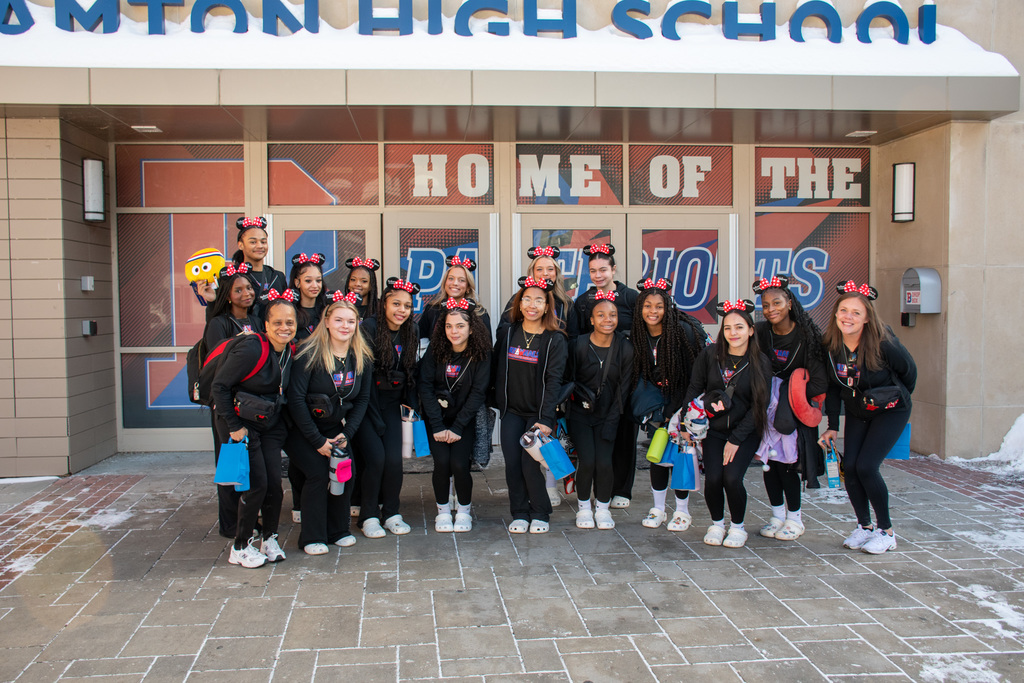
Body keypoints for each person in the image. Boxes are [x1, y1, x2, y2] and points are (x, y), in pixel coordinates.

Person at [820, 280, 917, 555]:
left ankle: (886, 532)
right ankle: (865, 527)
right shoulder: (831, 345)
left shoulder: (883, 343)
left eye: (856, 312)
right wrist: (832, 426)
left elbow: (909, 373)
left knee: (866, 467)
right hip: (858, 410)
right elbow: (833, 388)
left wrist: (893, 397)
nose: (848, 317)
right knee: (850, 466)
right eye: (843, 310)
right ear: (836, 313)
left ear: (866, 318)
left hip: (891, 410)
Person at [210, 293, 297, 568]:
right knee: (256, 485)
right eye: (278, 322)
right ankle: (240, 546)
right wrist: (234, 428)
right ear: (266, 325)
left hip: (268, 424)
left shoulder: (288, 351)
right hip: (239, 424)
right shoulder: (251, 348)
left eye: (290, 322)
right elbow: (219, 387)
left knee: (274, 485)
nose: (285, 327)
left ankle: (269, 538)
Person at [286, 292, 373, 555]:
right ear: (326, 321)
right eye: (339, 320)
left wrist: (346, 434)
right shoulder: (308, 354)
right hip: (300, 429)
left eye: (351, 321)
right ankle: (312, 537)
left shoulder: (362, 356)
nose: (345, 326)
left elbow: (363, 399)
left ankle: (338, 531)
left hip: (336, 429)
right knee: (318, 473)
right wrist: (317, 441)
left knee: (346, 473)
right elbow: (296, 401)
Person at [680, 300, 770, 549]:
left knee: (732, 478)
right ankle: (717, 523)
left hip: (745, 431)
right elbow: (694, 389)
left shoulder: (760, 362)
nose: (733, 333)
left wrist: (736, 440)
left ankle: (738, 527)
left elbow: (758, 406)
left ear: (751, 330)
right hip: (714, 430)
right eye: (728, 328)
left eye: (739, 327)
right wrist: (687, 425)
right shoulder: (710, 355)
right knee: (714, 478)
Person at [753, 276, 829, 542]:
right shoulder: (761, 332)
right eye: (765, 304)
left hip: (792, 410)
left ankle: (794, 518)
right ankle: (776, 515)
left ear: (789, 303)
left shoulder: (807, 335)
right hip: (766, 408)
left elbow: (819, 380)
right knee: (769, 464)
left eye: (777, 302)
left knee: (788, 465)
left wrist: (790, 389)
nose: (771, 309)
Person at [492, 276, 568, 535]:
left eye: (539, 300)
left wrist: (547, 418)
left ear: (547, 306)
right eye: (526, 299)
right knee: (512, 463)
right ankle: (520, 512)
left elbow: (554, 380)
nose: (532, 304)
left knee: (529, 464)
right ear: (519, 303)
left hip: (538, 415)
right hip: (512, 411)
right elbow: (496, 368)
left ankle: (540, 512)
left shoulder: (555, 339)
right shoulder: (508, 332)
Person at [632, 278, 706, 532]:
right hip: (655, 408)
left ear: (668, 308)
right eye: (648, 306)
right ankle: (659, 509)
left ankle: (682, 511)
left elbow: (692, 379)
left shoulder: (681, 333)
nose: (653, 312)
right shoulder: (639, 334)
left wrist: (677, 412)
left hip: (681, 406)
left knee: (681, 458)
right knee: (657, 457)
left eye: (659, 306)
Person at [572, 244, 640, 510]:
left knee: (624, 434)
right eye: (592, 271)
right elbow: (576, 340)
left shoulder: (631, 297)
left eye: (603, 269)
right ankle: (598, 491)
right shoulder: (583, 301)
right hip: (593, 383)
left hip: (625, 373)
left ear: (613, 269)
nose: (598, 275)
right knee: (599, 441)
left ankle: (622, 489)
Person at [354, 277, 421, 538]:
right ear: (383, 304)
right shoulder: (368, 328)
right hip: (367, 406)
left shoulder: (411, 331)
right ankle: (368, 516)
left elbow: (410, 372)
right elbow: (365, 379)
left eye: (407, 306)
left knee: (394, 462)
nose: (401, 310)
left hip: (394, 406)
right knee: (375, 460)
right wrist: (374, 418)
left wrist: (410, 407)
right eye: (396, 304)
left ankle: (391, 512)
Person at [418, 298, 492, 533]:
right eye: (449, 326)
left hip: (464, 420)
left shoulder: (480, 354)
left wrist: (458, 427)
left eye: (460, 326)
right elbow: (425, 387)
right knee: (441, 463)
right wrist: (438, 426)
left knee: (460, 464)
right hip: (437, 420)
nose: (454, 331)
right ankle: (442, 511)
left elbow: (478, 393)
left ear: (471, 328)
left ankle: (463, 511)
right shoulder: (435, 350)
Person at [202, 266, 263, 538]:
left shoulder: (258, 320)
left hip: (253, 403)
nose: (246, 293)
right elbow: (219, 361)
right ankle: (230, 525)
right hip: (228, 405)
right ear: (227, 295)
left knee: (249, 467)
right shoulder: (219, 324)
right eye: (238, 290)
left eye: (249, 288)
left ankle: (247, 519)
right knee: (230, 466)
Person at [566, 294, 634, 530]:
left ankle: (602, 508)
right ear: (592, 320)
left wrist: (612, 421)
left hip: (610, 415)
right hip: (580, 415)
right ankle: (584, 508)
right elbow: (569, 380)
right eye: (601, 315)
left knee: (605, 463)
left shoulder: (625, 348)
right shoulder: (578, 345)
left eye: (613, 315)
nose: (608, 319)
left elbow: (624, 389)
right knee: (588, 461)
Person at [197, 217, 286, 318]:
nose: (260, 246)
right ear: (240, 245)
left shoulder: (277, 276)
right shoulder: (231, 275)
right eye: (253, 242)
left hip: (273, 333)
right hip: (244, 332)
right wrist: (212, 301)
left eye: (263, 242)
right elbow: (217, 319)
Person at [497, 246, 578, 337]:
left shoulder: (566, 303)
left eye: (550, 269)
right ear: (532, 272)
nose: (545, 273)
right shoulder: (518, 298)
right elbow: (502, 332)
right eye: (539, 269)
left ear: (556, 272)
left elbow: (573, 338)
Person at [418, 256, 491, 341]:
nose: (455, 283)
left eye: (461, 280)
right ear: (445, 282)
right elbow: (421, 339)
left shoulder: (481, 314)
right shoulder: (432, 309)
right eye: (451, 278)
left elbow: (487, 348)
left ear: (468, 287)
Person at [289, 252, 327, 342]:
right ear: (297, 282)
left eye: (318, 280)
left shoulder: (327, 310)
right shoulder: (289, 311)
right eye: (308, 281)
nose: (315, 285)